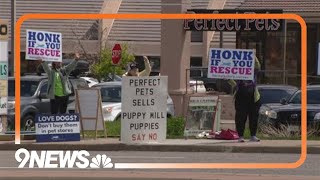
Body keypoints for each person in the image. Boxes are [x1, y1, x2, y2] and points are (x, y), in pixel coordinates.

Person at [227, 56, 261, 143]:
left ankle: (253, 135)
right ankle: (240, 136)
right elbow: (228, 78)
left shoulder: (253, 72)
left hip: (254, 98)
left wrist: (251, 55)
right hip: (240, 97)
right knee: (240, 117)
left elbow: (257, 65)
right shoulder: (237, 72)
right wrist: (235, 84)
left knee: (254, 117)